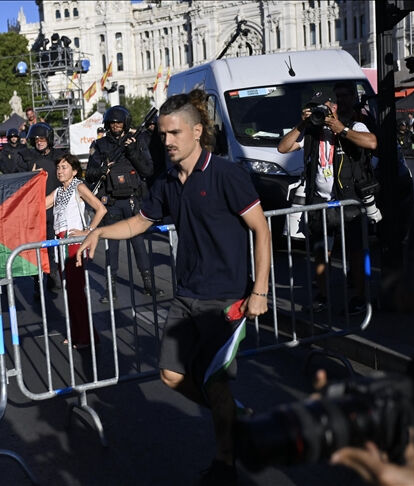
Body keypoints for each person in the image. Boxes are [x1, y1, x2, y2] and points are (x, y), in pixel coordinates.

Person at [77, 89, 271, 486]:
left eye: (174, 133)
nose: (166, 141)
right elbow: (139, 223)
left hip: (227, 297)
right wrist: (97, 232)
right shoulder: (167, 181)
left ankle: (225, 462)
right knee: (169, 374)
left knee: (215, 382)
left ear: (196, 132)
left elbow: (261, 230)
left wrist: (260, 292)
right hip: (186, 294)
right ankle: (233, 417)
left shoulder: (226, 175)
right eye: (163, 134)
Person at [277, 82, 378, 315]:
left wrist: (339, 128)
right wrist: (303, 123)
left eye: (326, 106)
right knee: (321, 251)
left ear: (334, 106)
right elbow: (283, 147)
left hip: (349, 199)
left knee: (355, 250)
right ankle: (322, 295)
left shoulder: (353, 125)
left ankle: (360, 296)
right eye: (316, 108)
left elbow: (371, 142)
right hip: (320, 200)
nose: (322, 112)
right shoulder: (311, 133)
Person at [85, 105, 159, 301]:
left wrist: (133, 150)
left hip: (132, 201)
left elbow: (147, 170)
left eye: (119, 122)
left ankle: (149, 284)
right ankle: (111, 290)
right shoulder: (100, 146)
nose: (116, 125)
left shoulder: (136, 143)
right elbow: (89, 175)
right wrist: (102, 169)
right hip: (112, 202)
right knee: (113, 247)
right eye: (112, 122)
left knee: (139, 244)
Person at [44, 154, 107, 348]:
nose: (60, 171)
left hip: (74, 245)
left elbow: (101, 208)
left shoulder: (78, 186)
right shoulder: (57, 192)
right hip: (60, 244)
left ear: (74, 170)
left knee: (76, 291)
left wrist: (87, 231)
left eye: (64, 167)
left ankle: (88, 337)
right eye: (59, 167)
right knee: (69, 291)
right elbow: (37, 206)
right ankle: (76, 333)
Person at [26, 122, 65, 291]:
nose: (39, 142)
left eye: (42, 138)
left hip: (53, 208)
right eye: (36, 139)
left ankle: (52, 274)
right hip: (34, 210)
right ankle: (36, 282)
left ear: (48, 139)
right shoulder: (28, 158)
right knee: (35, 248)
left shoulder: (59, 157)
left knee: (50, 245)